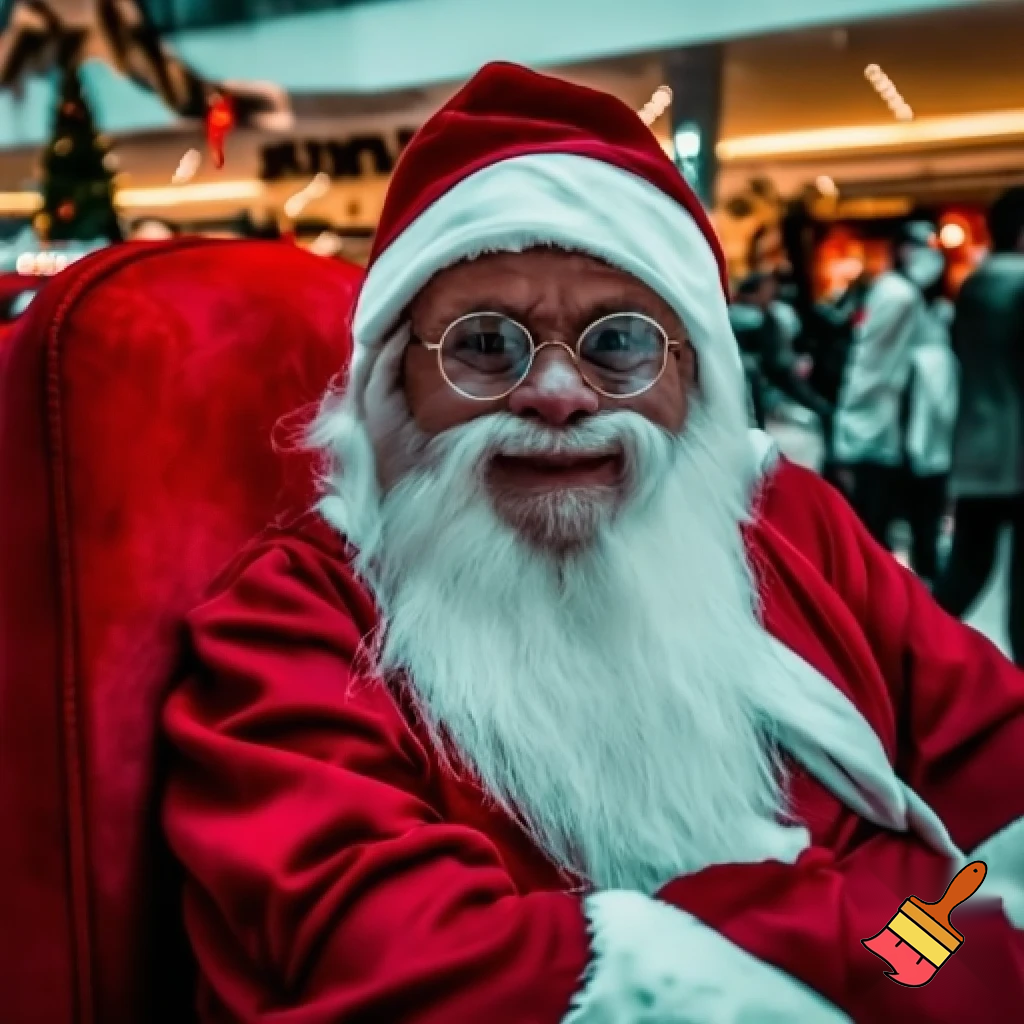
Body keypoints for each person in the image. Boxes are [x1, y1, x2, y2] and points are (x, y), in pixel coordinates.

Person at [162, 64, 1024, 1024]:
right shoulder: (296, 621)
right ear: (394, 387)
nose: (560, 396)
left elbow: (1002, 773)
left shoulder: (789, 525)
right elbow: (414, 969)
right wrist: (888, 941)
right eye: (486, 346)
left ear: (693, 379)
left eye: (620, 345)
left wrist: (911, 948)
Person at [935, 187, 1024, 663]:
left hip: (976, 443)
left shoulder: (973, 284)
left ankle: (910, 654)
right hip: (1018, 446)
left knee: (966, 567)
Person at [833, 225, 936, 547]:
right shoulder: (898, 295)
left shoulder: (900, 293)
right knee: (875, 527)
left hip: (887, 424)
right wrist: (851, 422)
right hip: (877, 427)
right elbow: (870, 361)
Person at [729, 271, 833, 430]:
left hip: (782, 372)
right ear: (750, 295)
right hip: (763, 377)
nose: (771, 292)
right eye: (765, 289)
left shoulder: (777, 312)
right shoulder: (743, 317)